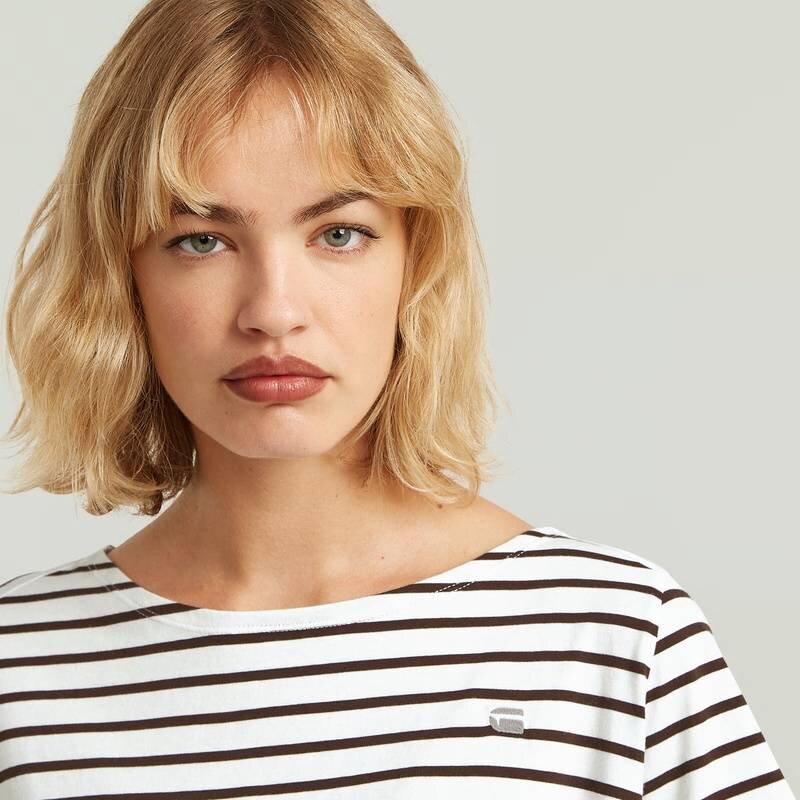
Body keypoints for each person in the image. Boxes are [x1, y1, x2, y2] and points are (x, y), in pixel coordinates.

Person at [0, 1, 795, 797]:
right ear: (123, 277)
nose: (274, 311)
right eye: (201, 240)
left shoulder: (615, 637)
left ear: (417, 261)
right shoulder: (19, 670)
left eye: (338, 233)